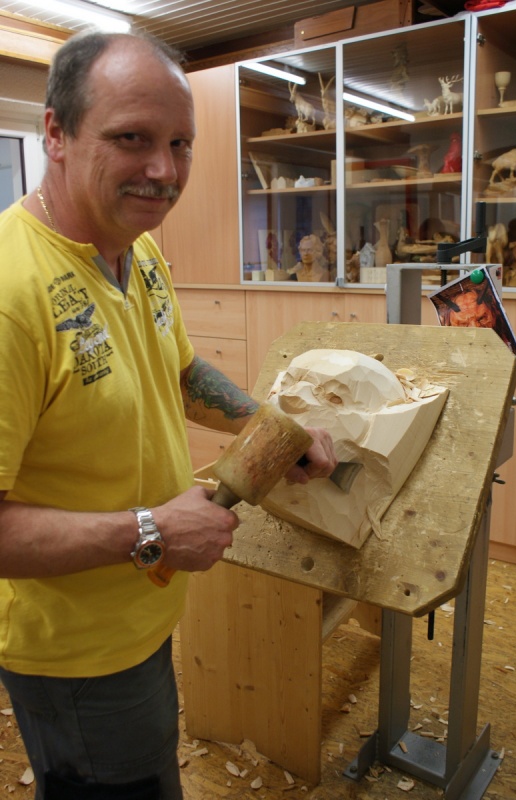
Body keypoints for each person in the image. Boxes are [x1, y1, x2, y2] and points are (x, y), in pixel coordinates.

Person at [0, 30, 337, 800]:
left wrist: (269, 429)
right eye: (132, 138)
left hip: (139, 611)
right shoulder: (11, 294)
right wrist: (149, 530)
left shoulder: (138, 247)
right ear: (55, 133)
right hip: (76, 650)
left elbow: (178, 371)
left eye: (180, 143)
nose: (164, 170)